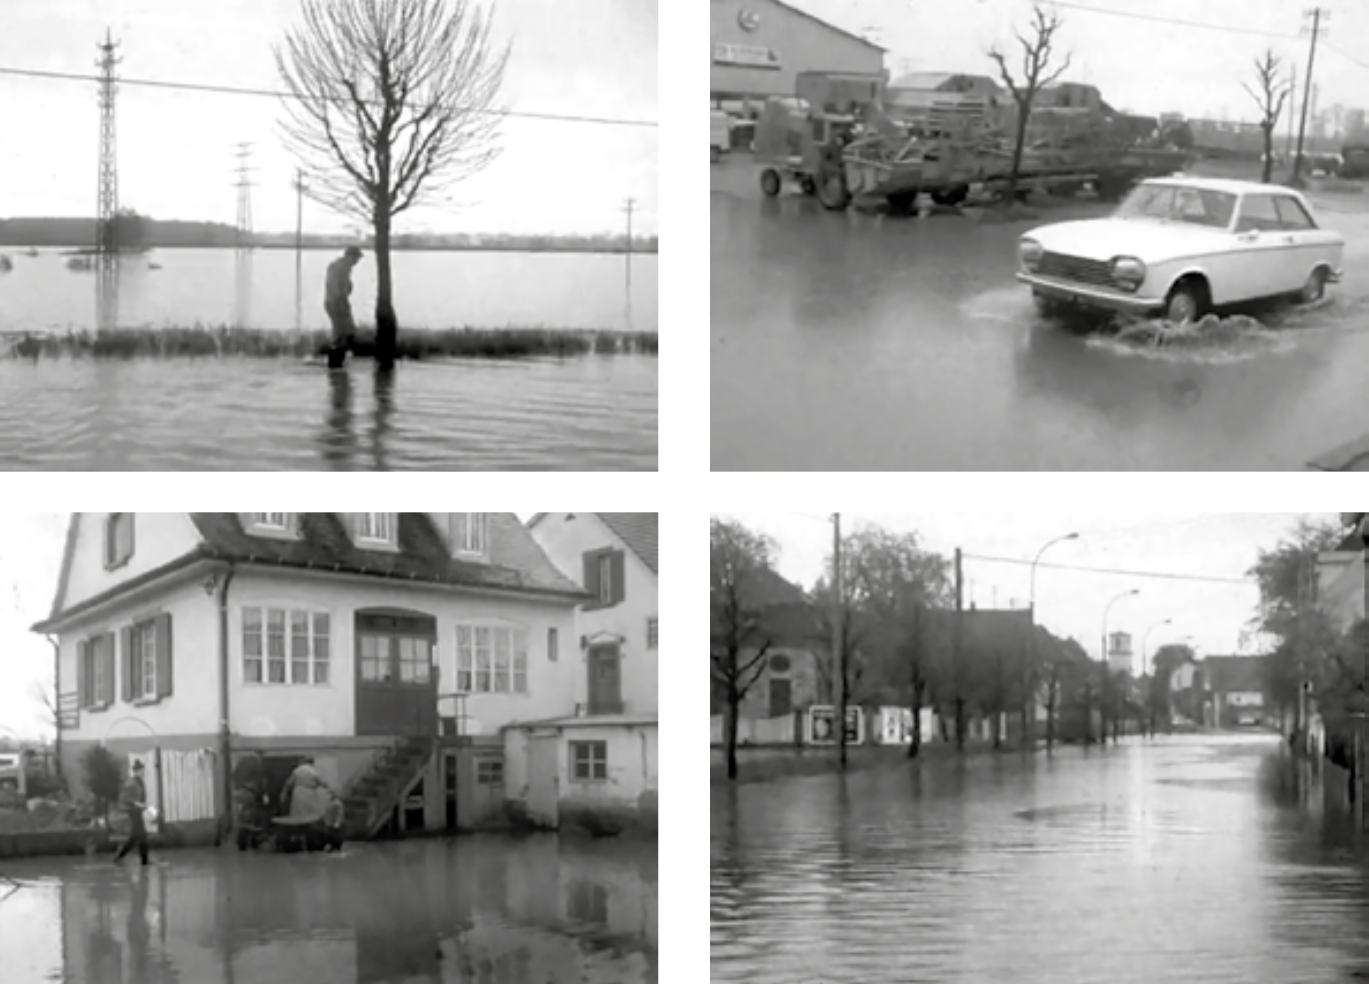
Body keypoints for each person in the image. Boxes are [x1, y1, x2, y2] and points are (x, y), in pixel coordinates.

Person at [324, 245, 364, 367]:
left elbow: (344, 285)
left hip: (340, 302)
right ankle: (335, 365)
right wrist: (341, 296)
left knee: (347, 332)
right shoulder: (338, 267)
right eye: (356, 258)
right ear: (349, 256)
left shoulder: (345, 268)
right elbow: (333, 285)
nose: (357, 262)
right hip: (336, 302)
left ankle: (338, 363)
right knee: (342, 333)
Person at [113, 760, 150, 866]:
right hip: (133, 812)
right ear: (136, 771)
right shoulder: (131, 783)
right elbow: (124, 798)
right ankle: (144, 861)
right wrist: (136, 803)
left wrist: (142, 805)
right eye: (141, 770)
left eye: (143, 770)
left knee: (135, 837)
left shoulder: (139, 782)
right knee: (142, 836)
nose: (143, 772)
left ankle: (120, 857)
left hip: (138, 811)